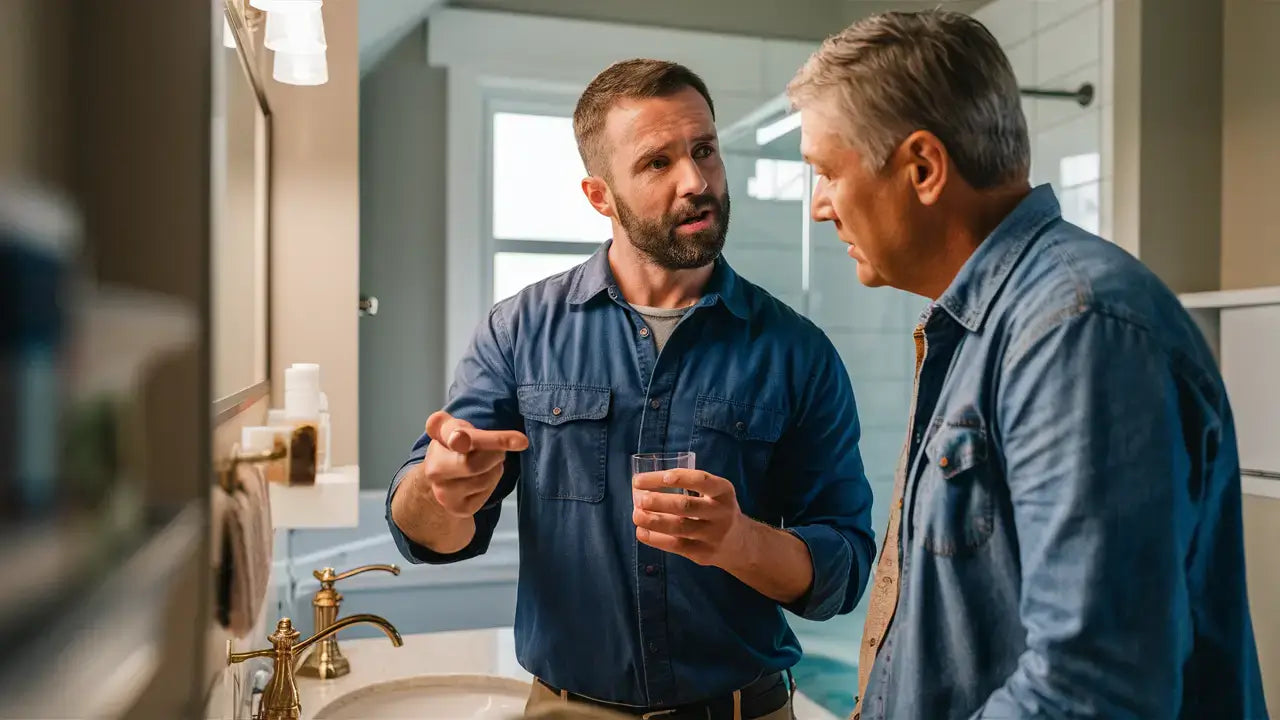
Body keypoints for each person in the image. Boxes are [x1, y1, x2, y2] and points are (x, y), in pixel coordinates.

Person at [786, 10, 1268, 720]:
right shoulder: (987, 325)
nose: (819, 208)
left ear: (923, 168)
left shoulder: (1076, 333)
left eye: (827, 172)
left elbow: (1090, 688)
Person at [386, 58, 877, 720]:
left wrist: (739, 541)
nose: (697, 181)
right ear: (599, 196)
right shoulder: (517, 333)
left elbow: (843, 573)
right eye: (657, 163)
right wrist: (441, 489)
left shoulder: (799, 353)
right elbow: (426, 535)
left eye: (704, 150)